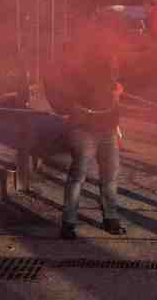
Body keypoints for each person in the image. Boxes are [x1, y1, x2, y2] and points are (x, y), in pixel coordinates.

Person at [51, 26, 126, 240]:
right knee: (78, 176)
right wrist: (71, 106)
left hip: (107, 126)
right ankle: (68, 222)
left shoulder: (111, 62)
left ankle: (111, 218)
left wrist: (117, 95)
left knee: (110, 176)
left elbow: (114, 92)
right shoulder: (75, 61)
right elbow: (61, 88)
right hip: (83, 127)